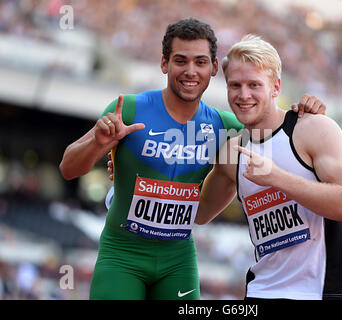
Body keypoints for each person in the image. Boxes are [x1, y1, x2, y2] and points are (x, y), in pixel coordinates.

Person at [60, 18, 326, 300]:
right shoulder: (128, 110)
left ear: (213, 68)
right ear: (164, 64)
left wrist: (305, 113)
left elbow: (278, 134)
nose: (190, 71)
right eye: (180, 61)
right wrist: (98, 143)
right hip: (122, 256)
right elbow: (68, 168)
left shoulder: (228, 127)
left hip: (178, 261)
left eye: (200, 62)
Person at [194, 35, 342, 300]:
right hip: (262, 292)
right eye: (235, 85)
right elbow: (198, 213)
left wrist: (276, 178)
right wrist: (128, 170)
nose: (243, 95)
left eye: (254, 85)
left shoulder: (313, 129)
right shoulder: (231, 153)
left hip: (320, 293)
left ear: (276, 87)